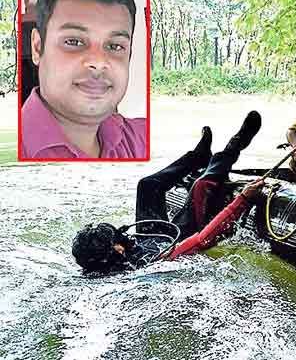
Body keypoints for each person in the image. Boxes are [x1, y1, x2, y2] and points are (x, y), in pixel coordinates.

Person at [71, 111, 262, 274]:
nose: (123, 238)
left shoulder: (110, 258)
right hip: (179, 239)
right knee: (201, 186)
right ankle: (233, 147)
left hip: (154, 238)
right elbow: (200, 240)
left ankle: (197, 157)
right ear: (118, 250)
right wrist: (243, 199)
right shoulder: (154, 264)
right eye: (118, 240)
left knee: (147, 185)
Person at [21, 0, 147, 159]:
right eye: (74, 42)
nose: (98, 62)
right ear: (38, 47)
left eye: (114, 46)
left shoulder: (141, 138)